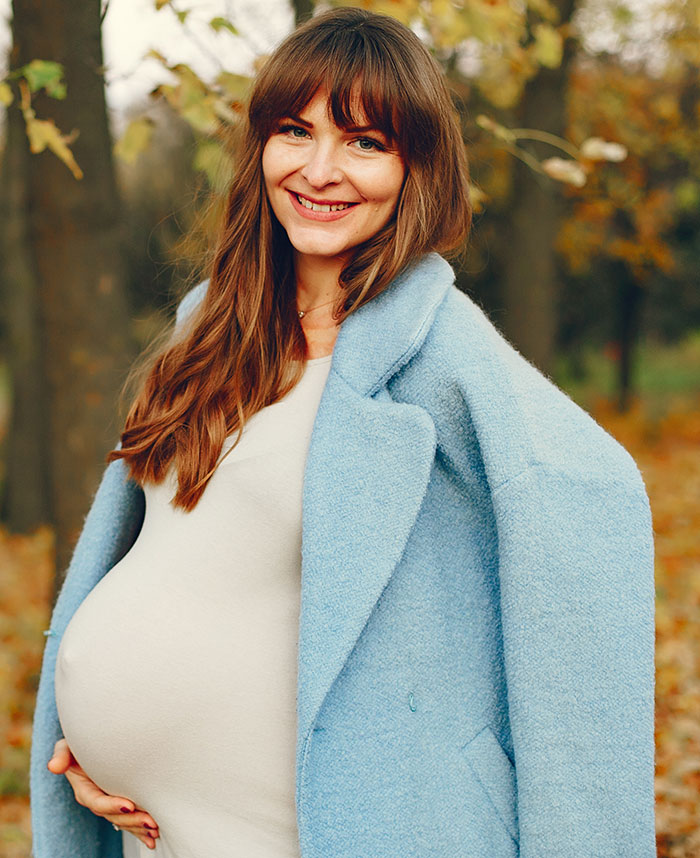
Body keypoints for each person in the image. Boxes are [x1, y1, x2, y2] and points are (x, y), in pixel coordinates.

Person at [30, 7, 656, 858]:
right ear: (261, 148)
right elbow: (175, 556)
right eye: (296, 131)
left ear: (416, 169)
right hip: (162, 833)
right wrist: (96, 736)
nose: (320, 169)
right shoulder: (208, 328)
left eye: (365, 142)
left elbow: (591, 500)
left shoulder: (445, 359)